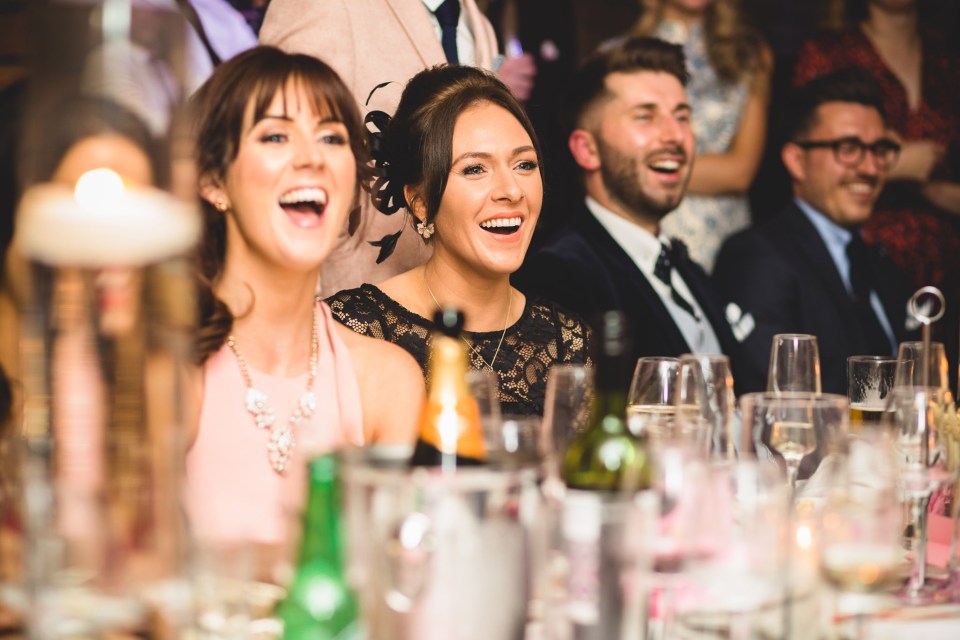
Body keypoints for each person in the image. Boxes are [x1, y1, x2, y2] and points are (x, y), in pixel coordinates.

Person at [186, 47, 424, 545]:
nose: (312, 157)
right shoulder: (168, 371)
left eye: (332, 138)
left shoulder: (387, 380)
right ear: (213, 180)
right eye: (276, 136)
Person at [327, 64, 591, 417]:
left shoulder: (568, 341)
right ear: (420, 201)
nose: (512, 191)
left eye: (524, 165)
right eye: (475, 169)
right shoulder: (354, 329)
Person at [259, 0, 537, 296]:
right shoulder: (322, 6)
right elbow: (274, 170)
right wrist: (304, 309)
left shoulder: (476, 21)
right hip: (353, 295)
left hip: (462, 302)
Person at [514, 36, 744, 388]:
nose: (675, 136)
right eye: (645, 116)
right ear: (588, 150)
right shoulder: (559, 276)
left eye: (682, 116)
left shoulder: (688, 269)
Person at [713, 68, 918, 395]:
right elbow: (775, 398)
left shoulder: (882, 265)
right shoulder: (758, 256)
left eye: (879, 150)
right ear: (797, 160)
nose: (869, 168)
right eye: (848, 147)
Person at [793, 0, 960, 294]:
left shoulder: (947, 55)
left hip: (949, 257)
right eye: (853, 145)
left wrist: (927, 186)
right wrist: (897, 165)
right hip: (862, 251)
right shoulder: (830, 53)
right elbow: (806, 165)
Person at [629, 0, 773, 271]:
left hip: (727, 234)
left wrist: (648, 166)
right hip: (651, 225)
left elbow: (741, 171)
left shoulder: (749, 54)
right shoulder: (621, 57)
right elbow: (618, 165)